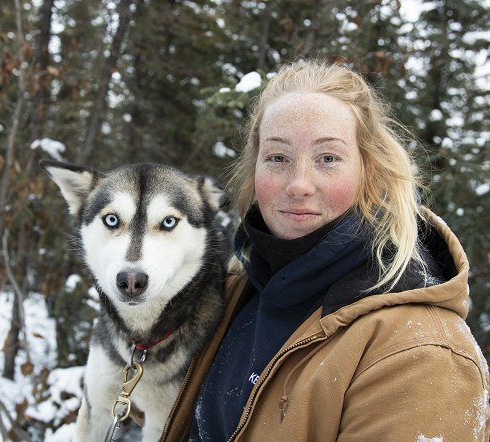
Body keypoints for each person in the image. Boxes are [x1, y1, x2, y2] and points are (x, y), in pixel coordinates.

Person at [160, 59, 490, 441]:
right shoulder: (233, 289)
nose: (298, 184)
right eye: (278, 157)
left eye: (328, 158)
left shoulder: (420, 351)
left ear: (370, 169)